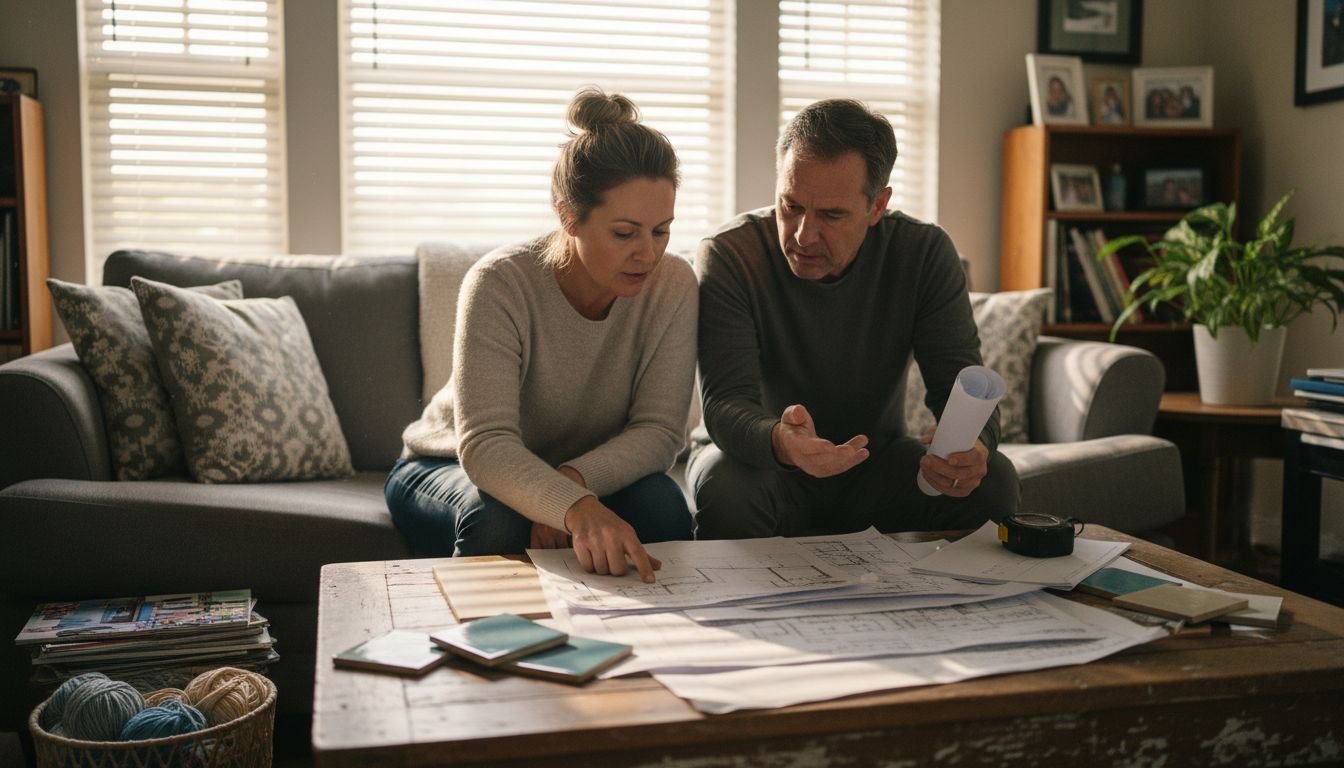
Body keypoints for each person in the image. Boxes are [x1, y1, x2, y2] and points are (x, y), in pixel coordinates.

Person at [385, 87, 698, 582]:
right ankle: (484, 652)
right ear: (568, 216)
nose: (648, 253)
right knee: (497, 520)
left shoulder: (674, 284)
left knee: (664, 508)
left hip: (587, 472)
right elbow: (486, 445)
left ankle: (660, 645)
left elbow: (659, 433)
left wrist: (570, 487)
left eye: (661, 231)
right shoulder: (500, 283)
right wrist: (572, 507)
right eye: (624, 233)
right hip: (446, 466)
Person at [690, 98, 1020, 540]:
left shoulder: (922, 253)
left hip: (875, 467)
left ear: (877, 206)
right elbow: (725, 403)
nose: (804, 235)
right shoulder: (731, 254)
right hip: (763, 462)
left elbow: (958, 378)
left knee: (993, 478)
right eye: (790, 206)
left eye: (831, 215)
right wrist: (783, 442)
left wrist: (975, 448)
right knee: (725, 484)